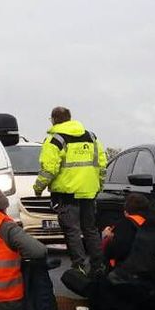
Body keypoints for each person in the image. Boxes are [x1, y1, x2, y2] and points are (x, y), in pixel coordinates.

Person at [61, 193, 155, 310]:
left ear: (126, 212)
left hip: (124, 289)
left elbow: (113, 253)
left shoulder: (126, 225)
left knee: (70, 276)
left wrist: (106, 239)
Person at [31, 106, 107, 275]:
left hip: (67, 193)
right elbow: (102, 165)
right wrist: (99, 185)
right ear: (70, 118)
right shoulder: (91, 137)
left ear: (53, 119)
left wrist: (38, 187)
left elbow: (48, 169)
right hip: (89, 191)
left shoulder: (55, 140)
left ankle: (79, 266)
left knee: (72, 230)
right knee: (90, 229)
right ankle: (98, 265)